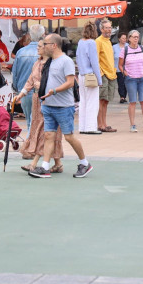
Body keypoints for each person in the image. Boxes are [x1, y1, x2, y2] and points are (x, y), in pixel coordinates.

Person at [28, 34, 93, 179]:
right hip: (48, 105)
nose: (43, 46)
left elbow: (70, 82)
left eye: (45, 44)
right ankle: (45, 167)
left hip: (64, 106)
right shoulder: (49, 61)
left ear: (54, 45)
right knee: (48, 135)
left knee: (69, 137)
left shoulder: (66, 61)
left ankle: (84, 163)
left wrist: (54, 91)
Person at [15, 41, 65, 173]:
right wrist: (21, 94)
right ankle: (58, 163)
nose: (37, 48)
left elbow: (57, 81)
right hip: (37, 100)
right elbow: (30, 81)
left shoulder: (54, 64)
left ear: (46, 48)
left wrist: (42, 85)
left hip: (49, 101)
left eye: (39, 46)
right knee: (40, 128)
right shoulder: (37, 63)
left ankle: (34, 163)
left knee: (45, 131)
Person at [13, 25, 46, 134]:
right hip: (40, 90)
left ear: (30, 36)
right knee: (39, 121)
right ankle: (32, 144)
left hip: (24, 90)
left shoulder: (21, 52)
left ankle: (31, 143)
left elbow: (15, 73)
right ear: (42, 35)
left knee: (29, 121)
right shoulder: (45, 53)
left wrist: (16, 88)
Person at [119, 30, 143, 132]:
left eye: (137, 37)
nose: (136, 39)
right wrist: (124, 72)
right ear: (129, 38)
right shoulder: (125, 50)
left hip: (142, 77)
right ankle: (132, 124)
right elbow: (120, 64)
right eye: (134, 37)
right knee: (132, 101)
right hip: (131, 78)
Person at [76, 21, 102, 134]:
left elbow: (77, 58)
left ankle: (82, 126)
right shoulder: (92, 43)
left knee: (83, 102)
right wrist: (99, 79)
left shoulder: (80, 42)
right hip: (90, 75)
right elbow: (94, 62)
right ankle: (91, 127)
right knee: (92, 102)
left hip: (81, 75)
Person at [96, 20, 118, 132]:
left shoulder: (108, 41)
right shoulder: (98, 41)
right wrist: (101, 73)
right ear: (101, 29)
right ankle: (100, 124)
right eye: (106, 28)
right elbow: (96, 59)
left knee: (107, 100)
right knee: (101, 100)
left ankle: (104, 123)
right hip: (103, 73)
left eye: (110, 27)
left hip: (111, 74)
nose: (109, 30)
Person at [113, 32, 128, 103]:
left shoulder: (128, 46)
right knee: (120, 83)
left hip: (127, 68)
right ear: (119, 39)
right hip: (118, 68)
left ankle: (124, 96)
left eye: (125, 38)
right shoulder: (114, 47)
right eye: (123, 38)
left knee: (126, 83)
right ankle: (122, 97)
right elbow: (112, 57)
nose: (124, 40)